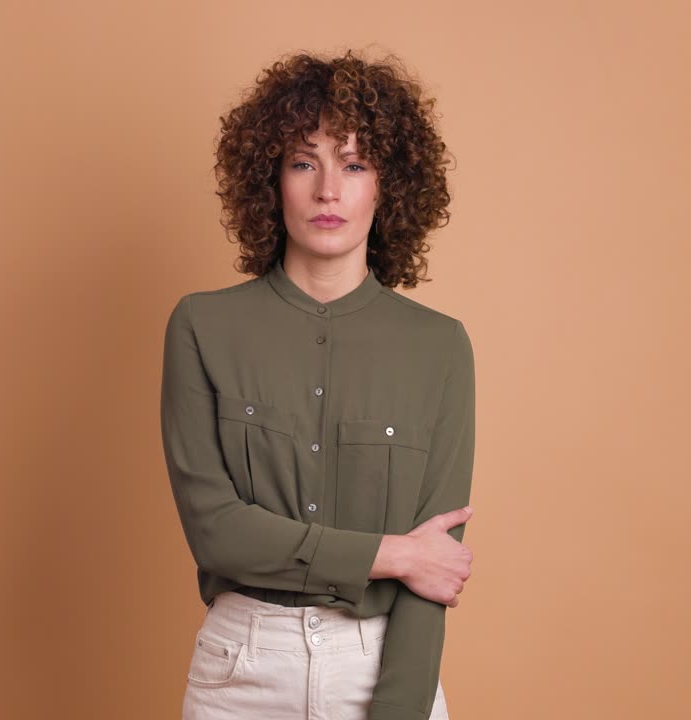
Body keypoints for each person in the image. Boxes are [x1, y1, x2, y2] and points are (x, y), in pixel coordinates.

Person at [160, 49, 476, 720]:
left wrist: (399, 710)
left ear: (388, 186)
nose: (329, 190)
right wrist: (391, 555)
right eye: (305, 162)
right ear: (270, 180)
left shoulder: (440, 347)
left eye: (355, 165)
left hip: (383, 666)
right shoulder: (202, 326)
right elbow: (217, 533)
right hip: (241, 673)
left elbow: (436, 567)